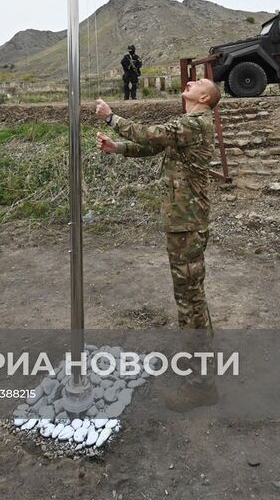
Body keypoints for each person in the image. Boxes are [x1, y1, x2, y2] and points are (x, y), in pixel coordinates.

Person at [95, 77, 221, 408]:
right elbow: (154, 146)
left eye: (198, 83)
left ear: (205, 97)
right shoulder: (188, 125)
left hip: (187, 225)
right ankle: (202, 376)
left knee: (189, 303)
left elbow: (152, 134)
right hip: (183, 224)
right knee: (192, 299)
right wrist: (117, 147)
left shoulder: (196, 122)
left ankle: (200, 385)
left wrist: (112, 117)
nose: (191, 82)